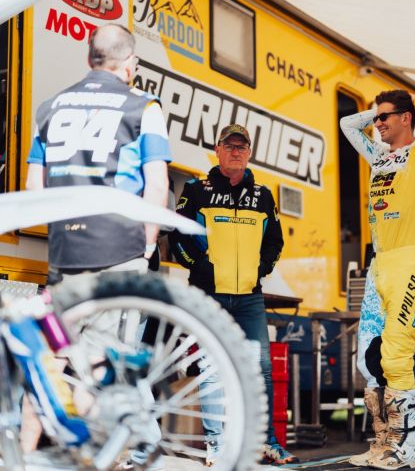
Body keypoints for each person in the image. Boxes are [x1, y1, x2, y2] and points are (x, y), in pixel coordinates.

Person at [24, 24, 172, 453]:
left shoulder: (50, 107)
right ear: (131, 65)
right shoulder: (144, 107)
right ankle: (98, 458)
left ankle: (22, 455)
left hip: (66, 255)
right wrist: (146, 247)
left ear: (89, 59)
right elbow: (157, 184)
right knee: (102, 365)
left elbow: (35, 187)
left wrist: (62, 238)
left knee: (52, 360)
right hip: (119, 250)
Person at [169, 123, 298, 466]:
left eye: (242, 147)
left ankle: (267, 443)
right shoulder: (197, 190)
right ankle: (217, 445)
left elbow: (275, 241)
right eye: (230, 146)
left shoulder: (263, 195)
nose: (236, 152)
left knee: (261, 369)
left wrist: (262, 268)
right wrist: (199, 267)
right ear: (218, 150)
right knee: (212, 368)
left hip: (248, 298)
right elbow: (177, 237)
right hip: (209, 296)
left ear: (249, 153)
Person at [340, 90, 415, 469]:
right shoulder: (379, 156)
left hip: (408, 262)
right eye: (377, 117)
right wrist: (379, 113)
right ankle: (382, 444)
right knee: (369, 360)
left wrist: (406, 104)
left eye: (386, 117)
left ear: (406, 118)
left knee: (396, 356)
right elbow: (347, 125)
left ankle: (405, 450)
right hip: (378, 267)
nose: (378, 123)